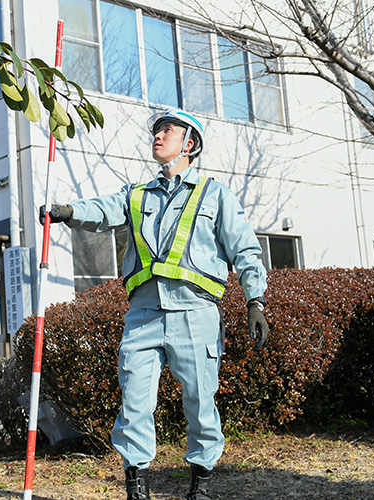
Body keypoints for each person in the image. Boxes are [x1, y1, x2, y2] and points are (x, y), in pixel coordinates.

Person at [41, 109, 270, 500]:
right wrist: (68, 212)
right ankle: (136, 488)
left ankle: (200, 487)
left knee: (199, 402)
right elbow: (102, 209)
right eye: (157, 131)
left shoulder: (215, 195)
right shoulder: (137, 195)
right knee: (134, 403)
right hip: (143, 315)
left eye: (168, 130)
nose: (158, 136)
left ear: (190, 143)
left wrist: (256, 300)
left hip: (195, 312)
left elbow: (245, 250)